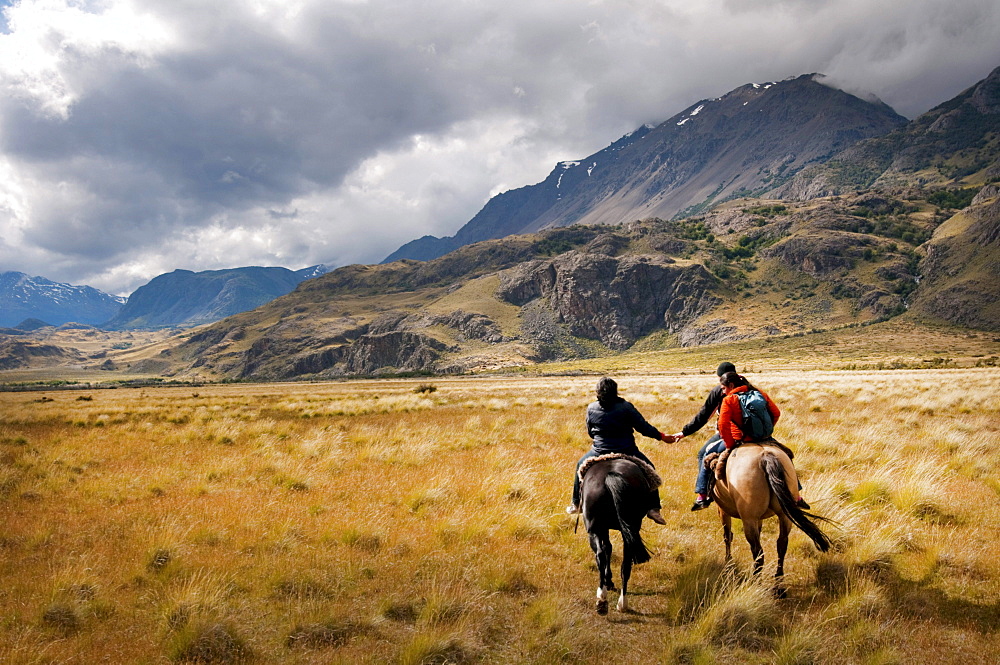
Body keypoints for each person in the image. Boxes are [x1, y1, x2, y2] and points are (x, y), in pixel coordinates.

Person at [566, 377, 675, 525]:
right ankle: (653, 508)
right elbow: (643, 427)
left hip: (599, 451)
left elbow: (590, 432)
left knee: (580, 465)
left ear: (598, 392)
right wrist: (662, 437)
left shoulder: (591, 407)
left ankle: (576, 503)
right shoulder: (626, 407)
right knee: (650, 468)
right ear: (615, 391)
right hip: (627, 450)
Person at [670, 362, 734, 511]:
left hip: (729, 434)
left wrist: (685, 432)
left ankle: (703, 494)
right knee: (781, 453)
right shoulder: (751, 389)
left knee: (702, 454)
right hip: (756, 434)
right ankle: (796, 493)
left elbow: (704, 416)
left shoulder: (720, 392)